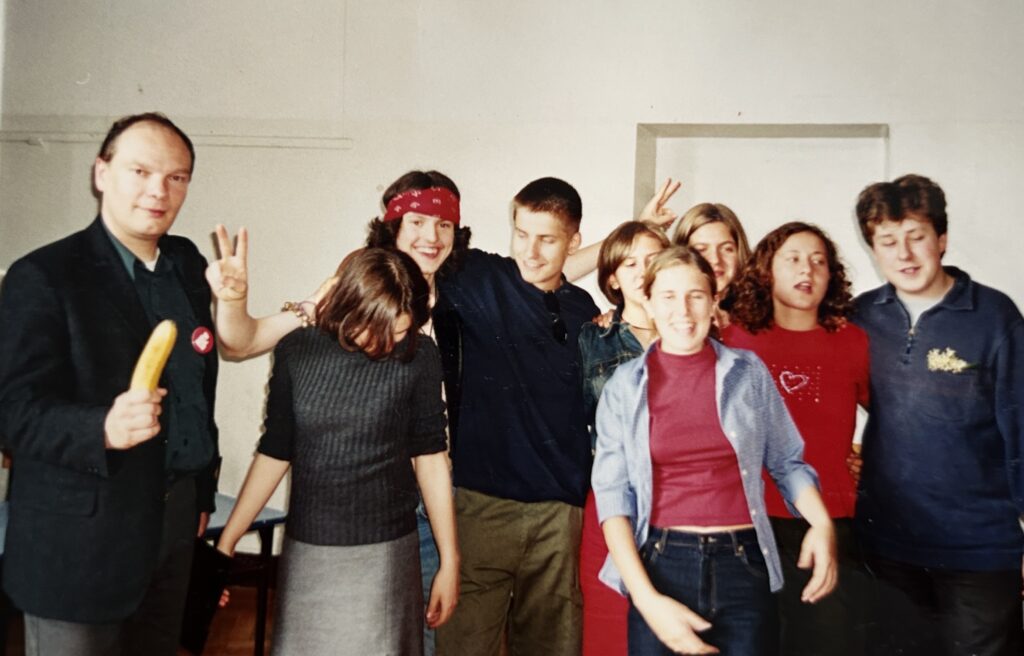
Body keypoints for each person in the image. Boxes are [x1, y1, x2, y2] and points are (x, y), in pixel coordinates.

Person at [0, 113, 220, 655]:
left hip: (172, 523)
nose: (158, 190)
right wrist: (101, 427)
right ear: (101, 173)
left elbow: (196, 387)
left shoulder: (187, 265)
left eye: (176, 177)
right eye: (140, 171)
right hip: (79, 540)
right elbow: (11, 411)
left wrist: (199, 494)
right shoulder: (43, 276)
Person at [593, 246, 838, 655]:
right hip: (659, 565)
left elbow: (787, 462)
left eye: (696, 295)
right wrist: (647, 600)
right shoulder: (624, 387)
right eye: (668, 296)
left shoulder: (748, 372)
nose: (683, 310)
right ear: (648, 303)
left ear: (713, 301)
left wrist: (822, 524)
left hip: (743, 565)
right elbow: (613, 498)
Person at [215, 248, 458, 655]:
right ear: (349, 307)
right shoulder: (297, 349)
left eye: (400, 332)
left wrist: (450, 561)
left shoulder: (419, 356)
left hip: (386, 555)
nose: (389, 344)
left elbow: (431, 458)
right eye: (376, 331)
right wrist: (228, 542)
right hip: (309, 550)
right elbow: (275, 452)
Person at [850, 174, 1024, 656]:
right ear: (874, 250)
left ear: (941, 239)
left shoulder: (995, 317)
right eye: (888, 242)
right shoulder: (861, 318)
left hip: (980, 551)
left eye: (917, 236)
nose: (904, 254)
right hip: (889, 547)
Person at [433, 177, 601, 656]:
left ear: (573, 242)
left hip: (559, 511)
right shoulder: (479, 277)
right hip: (480, 504)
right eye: (521, 234)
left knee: (552, 645)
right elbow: (399, 257)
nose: (530, 251)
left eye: (547, 239)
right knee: (462, 644)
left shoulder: (585, 312)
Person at [724, 222, 871, 656]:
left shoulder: (853, 341)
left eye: (818, 261)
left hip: (831, 522)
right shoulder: (735, 340)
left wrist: (876, 460)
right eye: (793, 259)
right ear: (766, 270)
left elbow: (895, 413)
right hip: (750, 523)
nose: (807, 269)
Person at [578, 221, 670, 655]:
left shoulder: (695, 333)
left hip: (678, 504)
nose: (642, 270)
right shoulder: (591, 339)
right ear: (612, 278)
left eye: (652, 259)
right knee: (610, 631)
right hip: (613, 501)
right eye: (629, 263)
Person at [672, 202, 751, 328]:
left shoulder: (760, 315)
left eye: (726, 249)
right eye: (701, 250)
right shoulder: (669, 316)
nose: (715, 260)